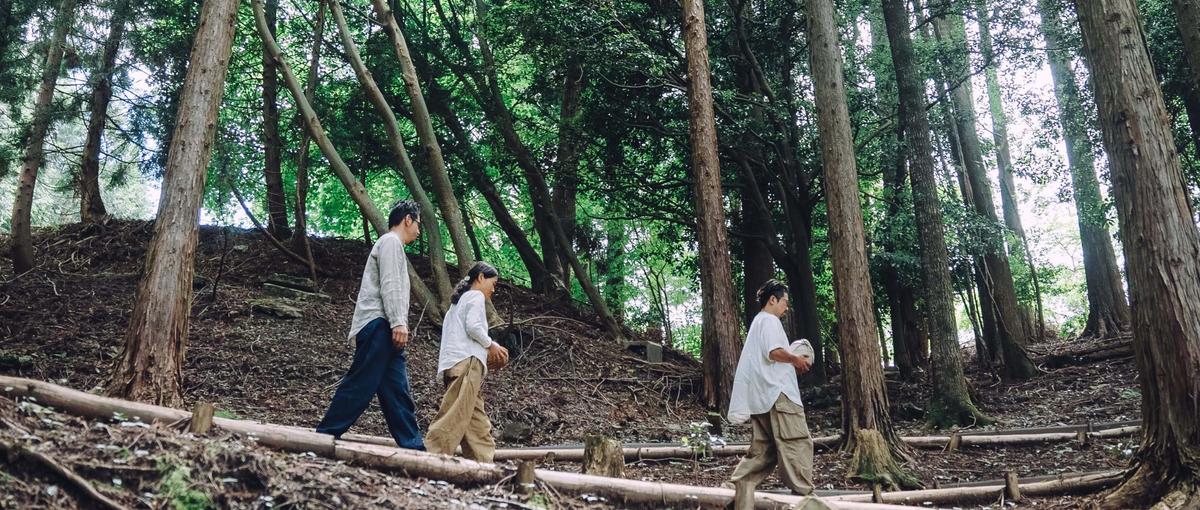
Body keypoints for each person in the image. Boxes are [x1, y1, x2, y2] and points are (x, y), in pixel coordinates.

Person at [315, 200, 424, 450]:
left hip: (385, 326)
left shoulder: (392, 245)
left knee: (397, 390)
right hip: (380, 324)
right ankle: (324, 435)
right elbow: (390, 284)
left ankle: (414, 447)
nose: (419, 231)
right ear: (407, 219)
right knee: (361, 382)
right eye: (418, 223)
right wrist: (398, 322)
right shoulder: (390, 242)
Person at [727, 279, 815, 509]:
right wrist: (795, 359)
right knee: (796, 443)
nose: (787, 307)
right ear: (772, 300)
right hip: (779, 395)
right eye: (784, 301)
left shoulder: (758, 322)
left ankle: (732, 494)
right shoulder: (769, 320)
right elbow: (773, 352)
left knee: (763, 452)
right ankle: (804, 499)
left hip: (762, 397)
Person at [424, 261, 510, 462]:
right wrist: (491, 345)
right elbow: (474, 327)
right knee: (452, 417)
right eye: (493, 283)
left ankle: (484, 466)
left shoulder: (456, 305)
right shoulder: (475, 296)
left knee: (477, 424)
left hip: (456, 365)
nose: (493, 289)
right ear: (480, 277)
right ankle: (430, 459)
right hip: (467, 365)